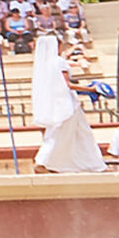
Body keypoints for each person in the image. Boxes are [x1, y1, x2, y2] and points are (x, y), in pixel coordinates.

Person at [30, 31, 104, 174]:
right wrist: (91, 89)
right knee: (67, 133)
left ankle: (89, 163)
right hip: (67, 104)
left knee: (70, 132)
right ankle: (42, 161)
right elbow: (67, 84)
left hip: (54, 102)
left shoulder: (43, 65)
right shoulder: (59, 62)